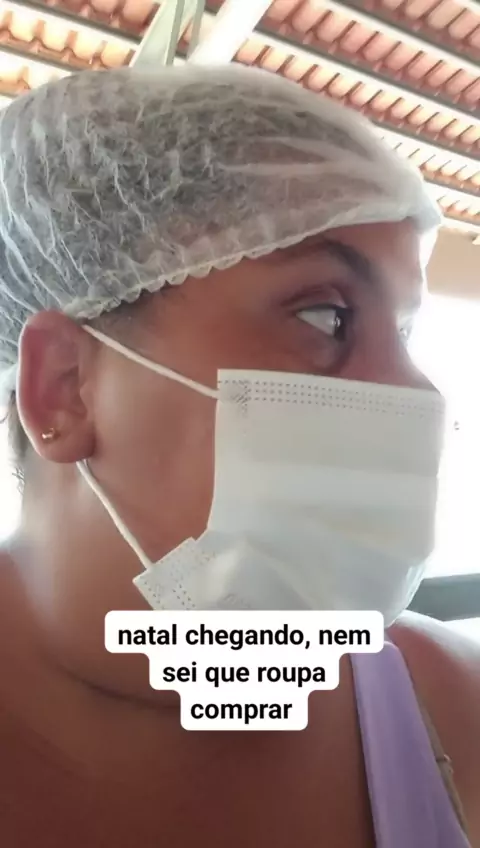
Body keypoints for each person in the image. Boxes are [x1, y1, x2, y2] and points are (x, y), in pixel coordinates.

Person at [0, 63, 478, 848]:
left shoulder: (446, 706)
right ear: (64, 387)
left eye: (402, 332)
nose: (421, 395)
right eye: (325, 316)